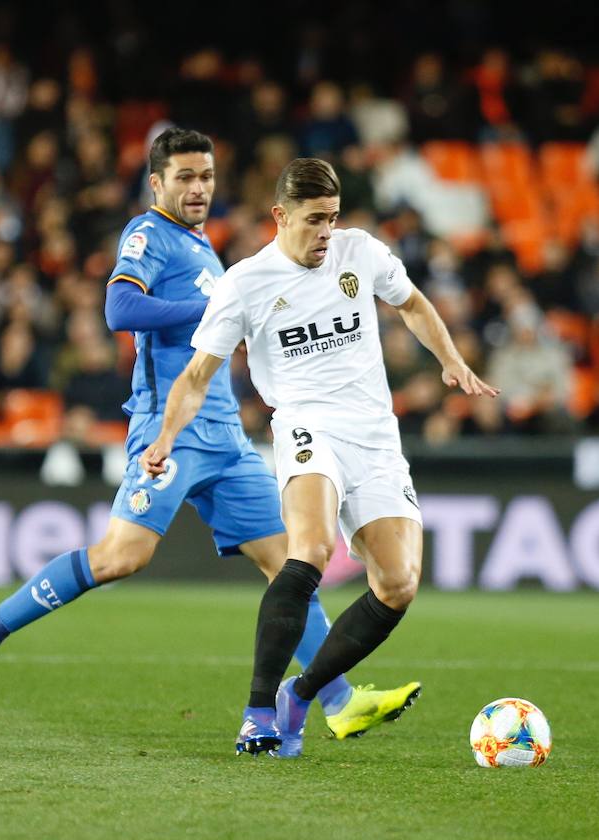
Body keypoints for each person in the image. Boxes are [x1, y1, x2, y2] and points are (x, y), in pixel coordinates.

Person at [0, 130, 393, 753]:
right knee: (122, 557)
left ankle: (339, 700)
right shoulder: (148, 234)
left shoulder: (201, 245)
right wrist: (208, 311)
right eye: (184, 177)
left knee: (290, 563)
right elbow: (119, 310)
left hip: (226, 435)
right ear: (157, 184)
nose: (198, 187)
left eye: (205, 176)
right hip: (170, 430)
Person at [141, 157, 500, 757]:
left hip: (375, 436)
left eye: (333, 218)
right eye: (314, 220)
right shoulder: (246, 283)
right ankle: (257, 714)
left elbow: (411, 303)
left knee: (399, 583)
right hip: (307, 426)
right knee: (309, 549)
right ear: (280, 216)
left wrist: (451, 359)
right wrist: (165, 436)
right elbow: (198, 374)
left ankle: (300, 695)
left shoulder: (359, 252)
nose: (326, 233)